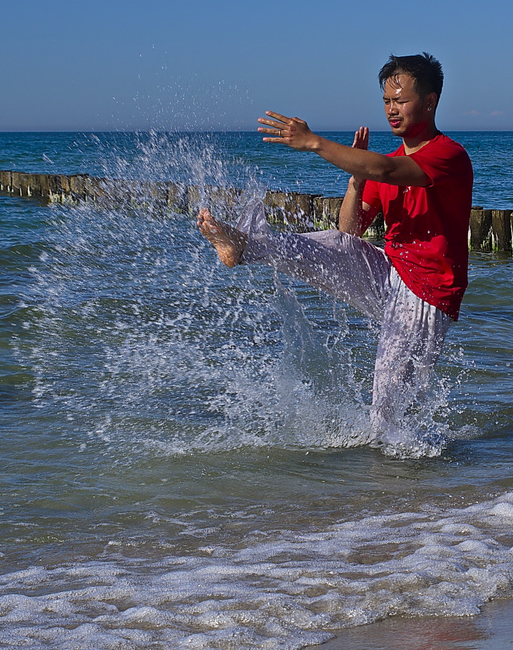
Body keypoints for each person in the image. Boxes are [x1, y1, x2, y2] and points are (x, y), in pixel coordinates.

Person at [197, 53, 472, 441]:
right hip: (389, 273)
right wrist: (355, 182)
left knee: (386, 412)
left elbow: (386, 171)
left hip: (426, 292)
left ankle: (396, 489)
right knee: (332, 244)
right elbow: (351, 230)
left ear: (430, 102)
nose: (392, 110)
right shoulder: (383, 162)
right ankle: (244, 247)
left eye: (401, 101)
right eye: (386, 102)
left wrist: (315, 143)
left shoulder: (447, 155)